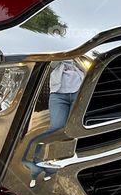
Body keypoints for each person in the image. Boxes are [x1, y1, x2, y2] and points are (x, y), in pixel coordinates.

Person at [27, 59, 84, 187]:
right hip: (58, 94)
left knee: (74, 130)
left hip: (79, 92)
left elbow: (87, 66)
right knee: (55, 128)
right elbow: (52, 64)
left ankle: (66, 166)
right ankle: (36, 161)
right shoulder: (59, 52)